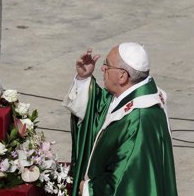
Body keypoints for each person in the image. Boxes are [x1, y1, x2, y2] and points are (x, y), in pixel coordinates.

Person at [63, 43, 178, 196]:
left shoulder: (139, 120)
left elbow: (125, 181)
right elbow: (100, 109)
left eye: (107, 66)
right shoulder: (133, 96)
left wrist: (88, 189)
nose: (102, 69)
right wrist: (84, 79)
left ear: (123, 76)